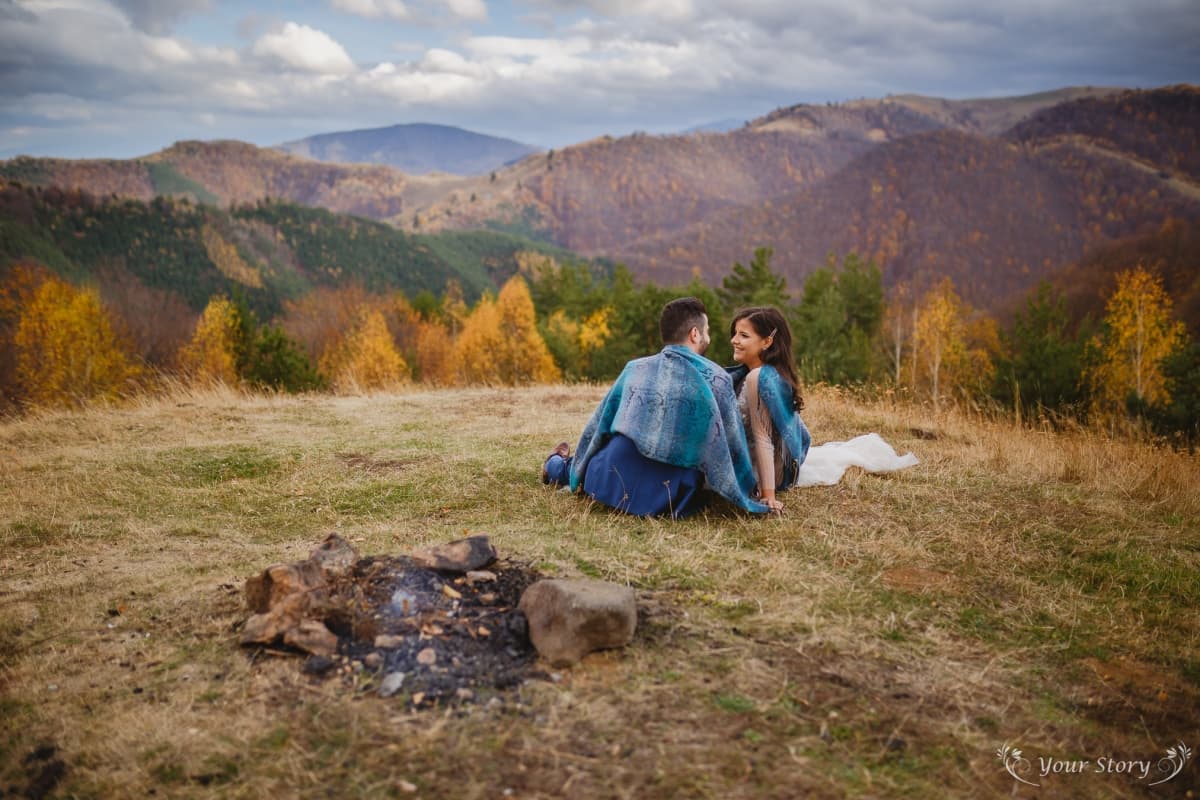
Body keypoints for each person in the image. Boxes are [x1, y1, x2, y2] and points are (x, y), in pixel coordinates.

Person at [542, 297, 769, 517]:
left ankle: (555, 464)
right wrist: (750, 489)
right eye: (706, 331)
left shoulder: (634, 369)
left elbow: (599, 427)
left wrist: (580, 468)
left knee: (578, 463)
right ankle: (558, 462)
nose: (707, 337)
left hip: (607, 482)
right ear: (694, 334)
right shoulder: (717, 380)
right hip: (669, 497)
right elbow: (732, 444)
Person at [727, 306, 812, 513]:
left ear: (767, 342)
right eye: (735, 333)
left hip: (772, 468)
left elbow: (762, 436)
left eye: (744, 335)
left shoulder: (759, 377)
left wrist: (768, 495)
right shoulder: (768, 373)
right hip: (765, 455)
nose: (734, 340)